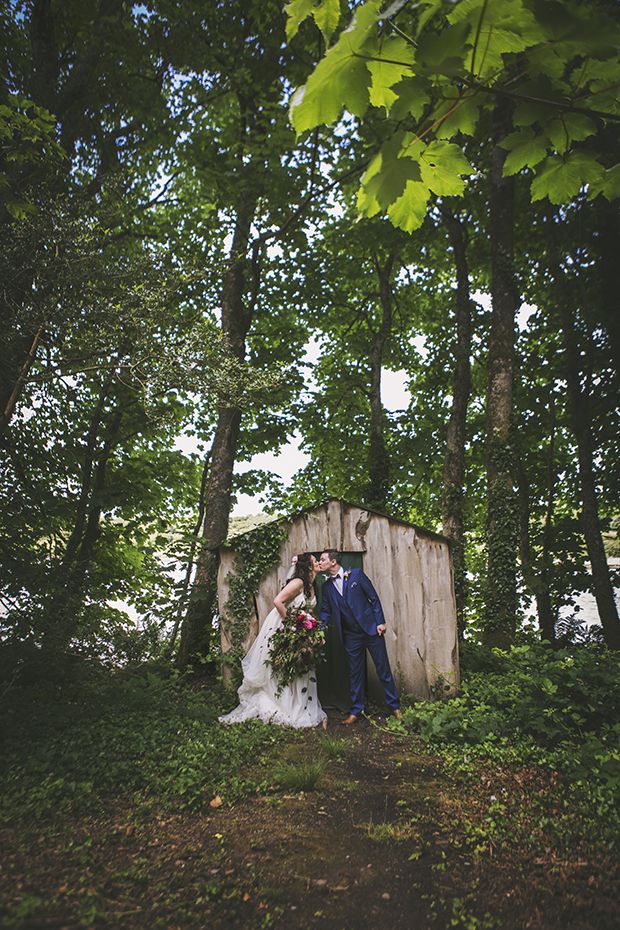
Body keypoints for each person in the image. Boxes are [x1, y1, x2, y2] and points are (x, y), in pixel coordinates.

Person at [219, 552, 327, 729]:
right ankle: (284, 706)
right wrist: (294, 626)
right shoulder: (298, 582)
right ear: (309, 566)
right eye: (316, 561)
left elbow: (308, 611)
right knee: (285, 668)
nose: (318, 563)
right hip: (285, 627)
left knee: (301, 664)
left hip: (301, 629)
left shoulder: (311, 585)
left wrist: (314, 632)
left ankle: (300, 706)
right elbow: (278, 601)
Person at [319, 549, 402, 725]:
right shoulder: (325, 587)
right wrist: (319, 630)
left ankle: (395, 707)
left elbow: (373, 598)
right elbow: (326, 612)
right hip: (350, 636)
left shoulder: (356, 575)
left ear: (333, 562)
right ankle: (356, 711)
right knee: (355, 673)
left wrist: (380, 622)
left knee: (383, 669)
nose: (320, 562)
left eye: (323, 559)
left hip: (371, 630)